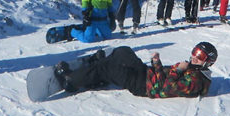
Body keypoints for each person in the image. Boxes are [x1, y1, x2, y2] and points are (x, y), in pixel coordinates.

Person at [54, 42, 218, 98]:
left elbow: (166, 87)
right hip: (147, 74)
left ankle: (72, 81)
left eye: (200, 56)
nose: (193, 57)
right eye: (195, 52)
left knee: (107, 68)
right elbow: (164, 76)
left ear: (207, 62)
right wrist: (156, 64)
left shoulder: (195, 81)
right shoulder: (193, 70)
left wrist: (177, 70)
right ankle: (96, 72)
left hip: (143, 86)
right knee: (123, 51)